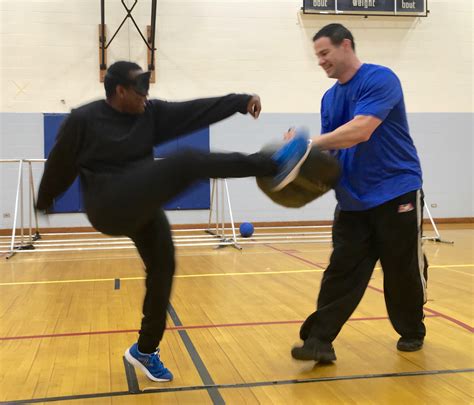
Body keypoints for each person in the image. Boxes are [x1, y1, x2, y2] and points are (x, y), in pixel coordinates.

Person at [36, 61, 311, 382]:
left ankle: (145, 349)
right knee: (188, 161)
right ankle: (270, 164)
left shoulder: (148, 114)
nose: (145, 97)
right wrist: (45, 199)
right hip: (107, 204)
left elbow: (194, 111)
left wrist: (239, 101)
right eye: (139, 91)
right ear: (119, 91)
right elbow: (59, 163)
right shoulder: (83, 120)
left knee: (163, 267)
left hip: (142, 203)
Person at [289, 24, 428, 363]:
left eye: (324, 53)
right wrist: (303, 170)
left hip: (396, 190)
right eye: (317, 55)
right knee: (342, 269)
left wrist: (307, 143)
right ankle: (319, 340)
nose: (320, 61)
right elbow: (333, 148)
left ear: (346, 45)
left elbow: (362, 130)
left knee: (400, 269)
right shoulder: (330, 97)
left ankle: (412, 330)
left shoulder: (380, 79)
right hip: (353, 199)